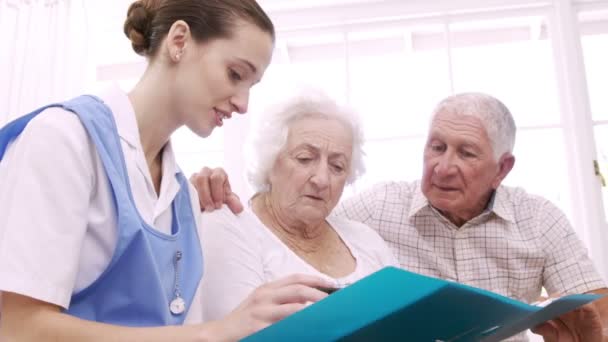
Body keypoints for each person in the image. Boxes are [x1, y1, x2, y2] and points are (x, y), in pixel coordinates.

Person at [0, 1, 333, 341]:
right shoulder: (63, 140)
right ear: (179, 42)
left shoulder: (184, 199)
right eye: (235, 74)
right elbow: (17, 327)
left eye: (251, 86)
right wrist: (214, 332)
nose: (243, 103)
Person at [192, 92, 608, 341]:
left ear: (502, 168)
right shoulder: (376, 209)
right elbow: (278, 214)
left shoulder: (540, 219)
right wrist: (205, 189)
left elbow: (596, 314)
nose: (443, 166)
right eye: (436, 147)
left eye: (466, 153)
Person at [198, 93, 397, 321]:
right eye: (304, 159)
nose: (322, 179)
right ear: (270, 162)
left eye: (337, 166)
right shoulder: (229, 226)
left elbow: (407, 322)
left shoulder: (366, 240)